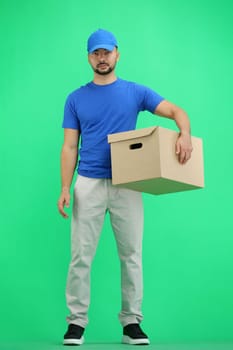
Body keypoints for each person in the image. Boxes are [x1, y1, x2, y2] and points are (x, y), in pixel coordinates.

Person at [58, 29, 193, 346]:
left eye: (106, 52)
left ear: (118, 54)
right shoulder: (75, 98)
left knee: (131, 255)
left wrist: (184, 133)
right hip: (88, 182)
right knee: (80, 256)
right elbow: (68, 147)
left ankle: (132, 322)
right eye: (96, 53)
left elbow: (177, 111)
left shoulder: (135, 92)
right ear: (89, 57)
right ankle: (76, 323)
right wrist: (66, 187)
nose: (101, 58)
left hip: (128, 182)